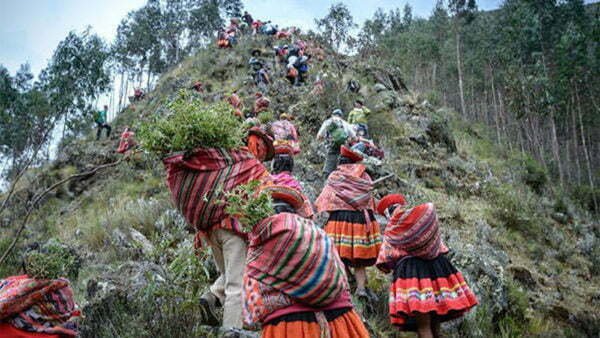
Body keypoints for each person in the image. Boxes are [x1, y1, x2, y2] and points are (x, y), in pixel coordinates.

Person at [243, 186, 370, 338]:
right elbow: (341, 281)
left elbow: (252, 308)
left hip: (288, 328)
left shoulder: (260, 245)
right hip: (341, 322)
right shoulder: (320, 235)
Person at [375, 195, 478, 338]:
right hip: (436, 269)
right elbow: (438, 243)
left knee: (423, 326)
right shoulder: (422, 217)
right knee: (435, 321)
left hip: (411, 275)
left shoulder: (392, 229)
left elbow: (386, 259)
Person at [315, 146, 382, 301]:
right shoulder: (364, 176)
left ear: (341, 161)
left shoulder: (335, 176)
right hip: (360, 220)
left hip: (339, 220)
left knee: (339, 256)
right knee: (359, 260)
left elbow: (325, 199)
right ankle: (360, 289)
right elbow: (368, 199)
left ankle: (344, 289)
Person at [316, 109, 356, 177]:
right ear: (341, 116)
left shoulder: (328, 122)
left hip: (332, 146)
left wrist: (325, 139)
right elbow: (354, 137)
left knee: (329, 166)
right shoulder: (345, 123)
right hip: (344, 148)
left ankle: (327, 180)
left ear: (332, 115)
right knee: (343, 166)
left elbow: (319, 136)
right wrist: (348, 141)